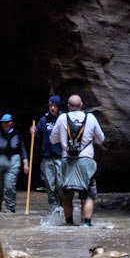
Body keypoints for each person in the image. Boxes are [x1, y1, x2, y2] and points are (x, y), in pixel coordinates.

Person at [51, 94, 104, 226]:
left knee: (67, 194)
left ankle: (69, 224)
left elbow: (52, 139)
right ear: (81, 105)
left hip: (67, 161)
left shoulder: (62, 118)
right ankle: (86, 223)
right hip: (86, 161)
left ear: (68, 106)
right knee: (88, 194)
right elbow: (101, 139)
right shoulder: (90, 118)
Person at [33, 93, 63, 214]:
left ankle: (63, 203)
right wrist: (34, 132)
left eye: (55, 105)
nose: (52, 108)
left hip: (61, 156)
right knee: (49, 185)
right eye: (51, 105)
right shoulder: (43, 120)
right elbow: (38, 137)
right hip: (46, 157)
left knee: (60, 184)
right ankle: (54, 206)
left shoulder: (63, 119)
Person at [0, 112, 23, 213]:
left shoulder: (17, 135)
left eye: (7, 122)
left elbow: (22, 149)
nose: (5, 124)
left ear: (12, 123)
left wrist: (26, 163)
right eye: (3, 122)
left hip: (13, 161)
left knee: (9, 185)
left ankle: (10, 209)